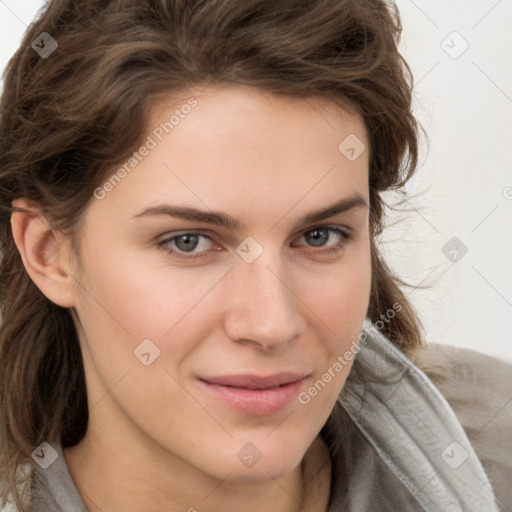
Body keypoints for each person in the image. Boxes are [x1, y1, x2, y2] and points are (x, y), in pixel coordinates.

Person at [0, 1, 510, 511]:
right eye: (189, 242)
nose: (271, 324)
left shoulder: (497, 439)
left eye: (319, 236)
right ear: (49, 254)